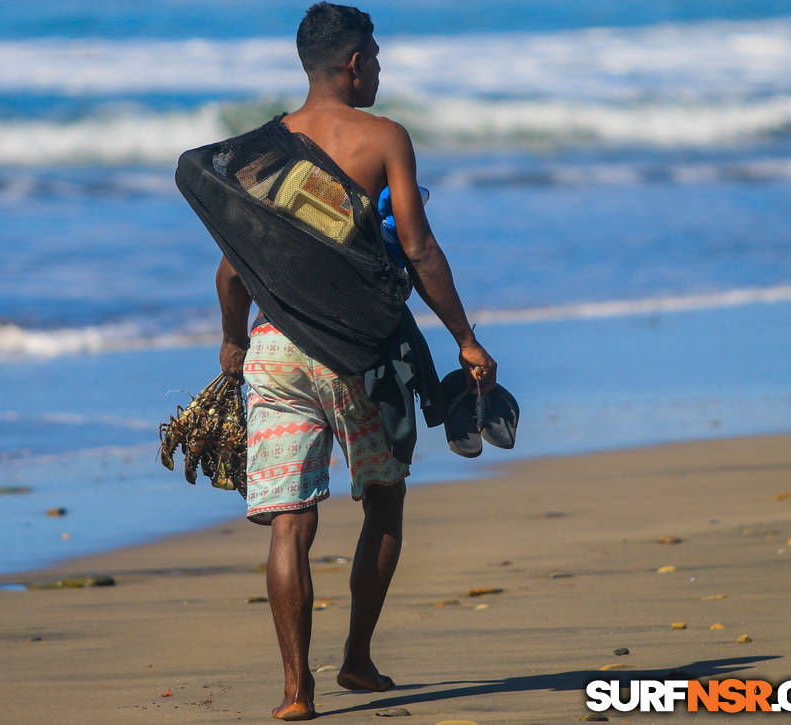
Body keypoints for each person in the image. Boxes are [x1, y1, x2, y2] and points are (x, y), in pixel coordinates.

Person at [213, 3, 497, 719]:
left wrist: (233, 339)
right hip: (358, 355)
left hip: (275, 349)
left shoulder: (261, 150)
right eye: (375, 57)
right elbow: (420, 248)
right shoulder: (384, 138)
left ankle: (293, 692)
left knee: (289, 521)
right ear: (352, 65)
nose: (379, 69)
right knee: (385, 494)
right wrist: (464, 336)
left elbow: (230, 270)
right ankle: (358, 659)